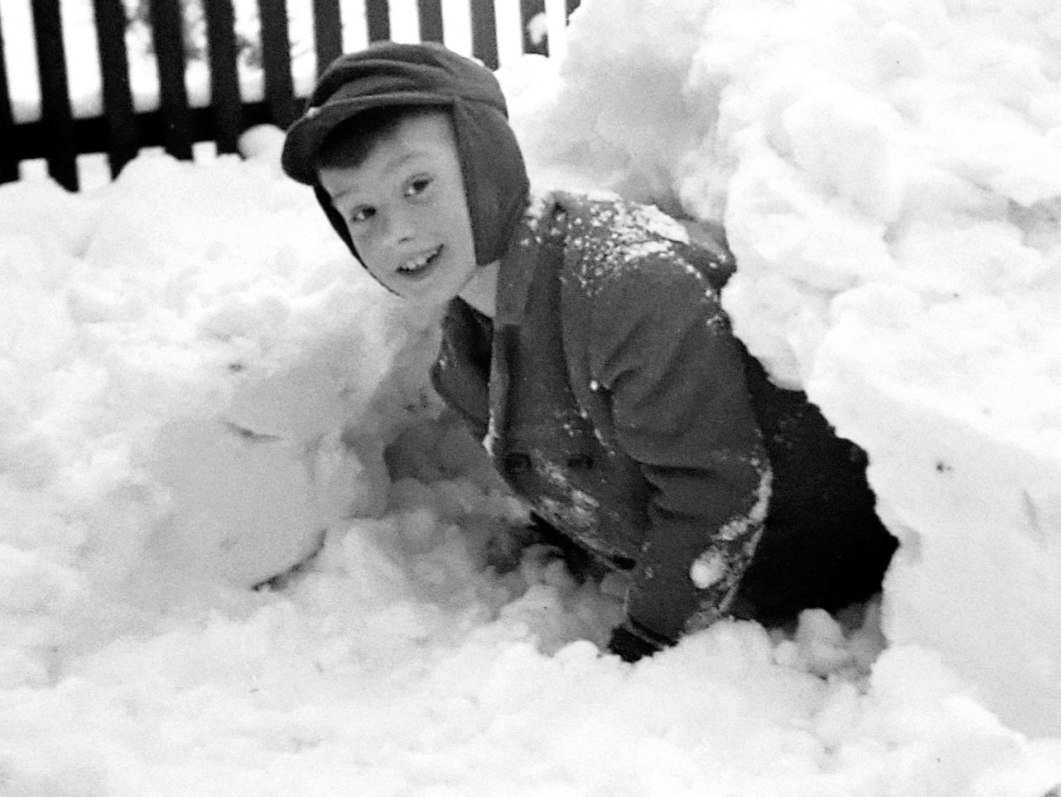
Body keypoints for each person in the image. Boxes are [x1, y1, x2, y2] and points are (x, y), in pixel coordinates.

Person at [280, 41, 896, 661]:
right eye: (363, 211)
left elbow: (717, 492)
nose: (397, 231)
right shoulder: (464, 352)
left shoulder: (626, 286)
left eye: (417, 184)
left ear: (484, 161)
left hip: (812, 588)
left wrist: (648, 640)